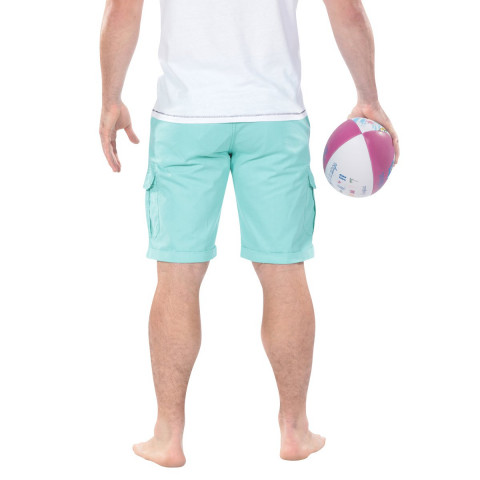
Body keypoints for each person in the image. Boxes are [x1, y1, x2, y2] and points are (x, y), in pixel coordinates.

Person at [99, 0, 399, 468]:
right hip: (274, 117)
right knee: (284, 272)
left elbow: (122, 8)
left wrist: (111, 99)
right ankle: (294, 430)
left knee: (177, 276)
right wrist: (369, 98)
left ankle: (168, 436)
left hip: (185, 117)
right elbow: (347, 9)